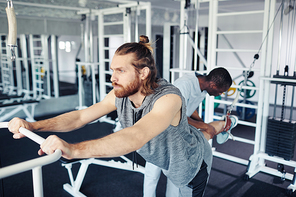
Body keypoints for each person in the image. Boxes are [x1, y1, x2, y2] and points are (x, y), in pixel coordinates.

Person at [9, 35, 217, 197]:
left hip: (192, 164)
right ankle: (217, 127)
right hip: (168, 156)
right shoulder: (120, 94)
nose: (112, 77)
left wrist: (73, 149)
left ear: (143, 73)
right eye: (112, 70)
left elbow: (135, 136)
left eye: (120, 71)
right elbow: (81, 117)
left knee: (202, 143)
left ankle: (222, 125)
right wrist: (33, 125)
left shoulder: (168, 98)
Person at [143, 67, 238, 197]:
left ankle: (225, 125)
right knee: (153, 173)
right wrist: (204, 126)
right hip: (159, 131)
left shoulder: (203, 88)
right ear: (213, 85)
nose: (220, 94)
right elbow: (175, 113)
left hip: (177, 132)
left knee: (176, 173)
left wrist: (201, 123)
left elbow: (189, 107)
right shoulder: (184, 85)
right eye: (220, 91)